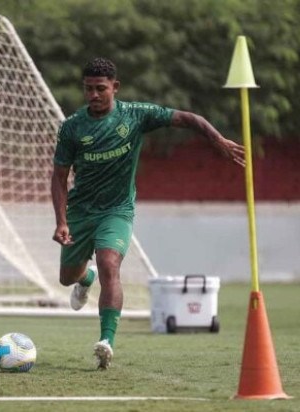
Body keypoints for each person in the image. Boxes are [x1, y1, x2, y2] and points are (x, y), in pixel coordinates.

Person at [51, 57, 244, 369]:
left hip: (117, 210)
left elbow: (188, 118)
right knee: (66, 277)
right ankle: (85, 278)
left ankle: (106, 342)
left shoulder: (137, 115)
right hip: (81, 211)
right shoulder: (72, 127)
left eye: (101, 88)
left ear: (115, 87)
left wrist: (217, 139)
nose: (94, 95)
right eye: (88, 89)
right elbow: (59, 177)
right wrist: (61, 220)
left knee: (110, 263)